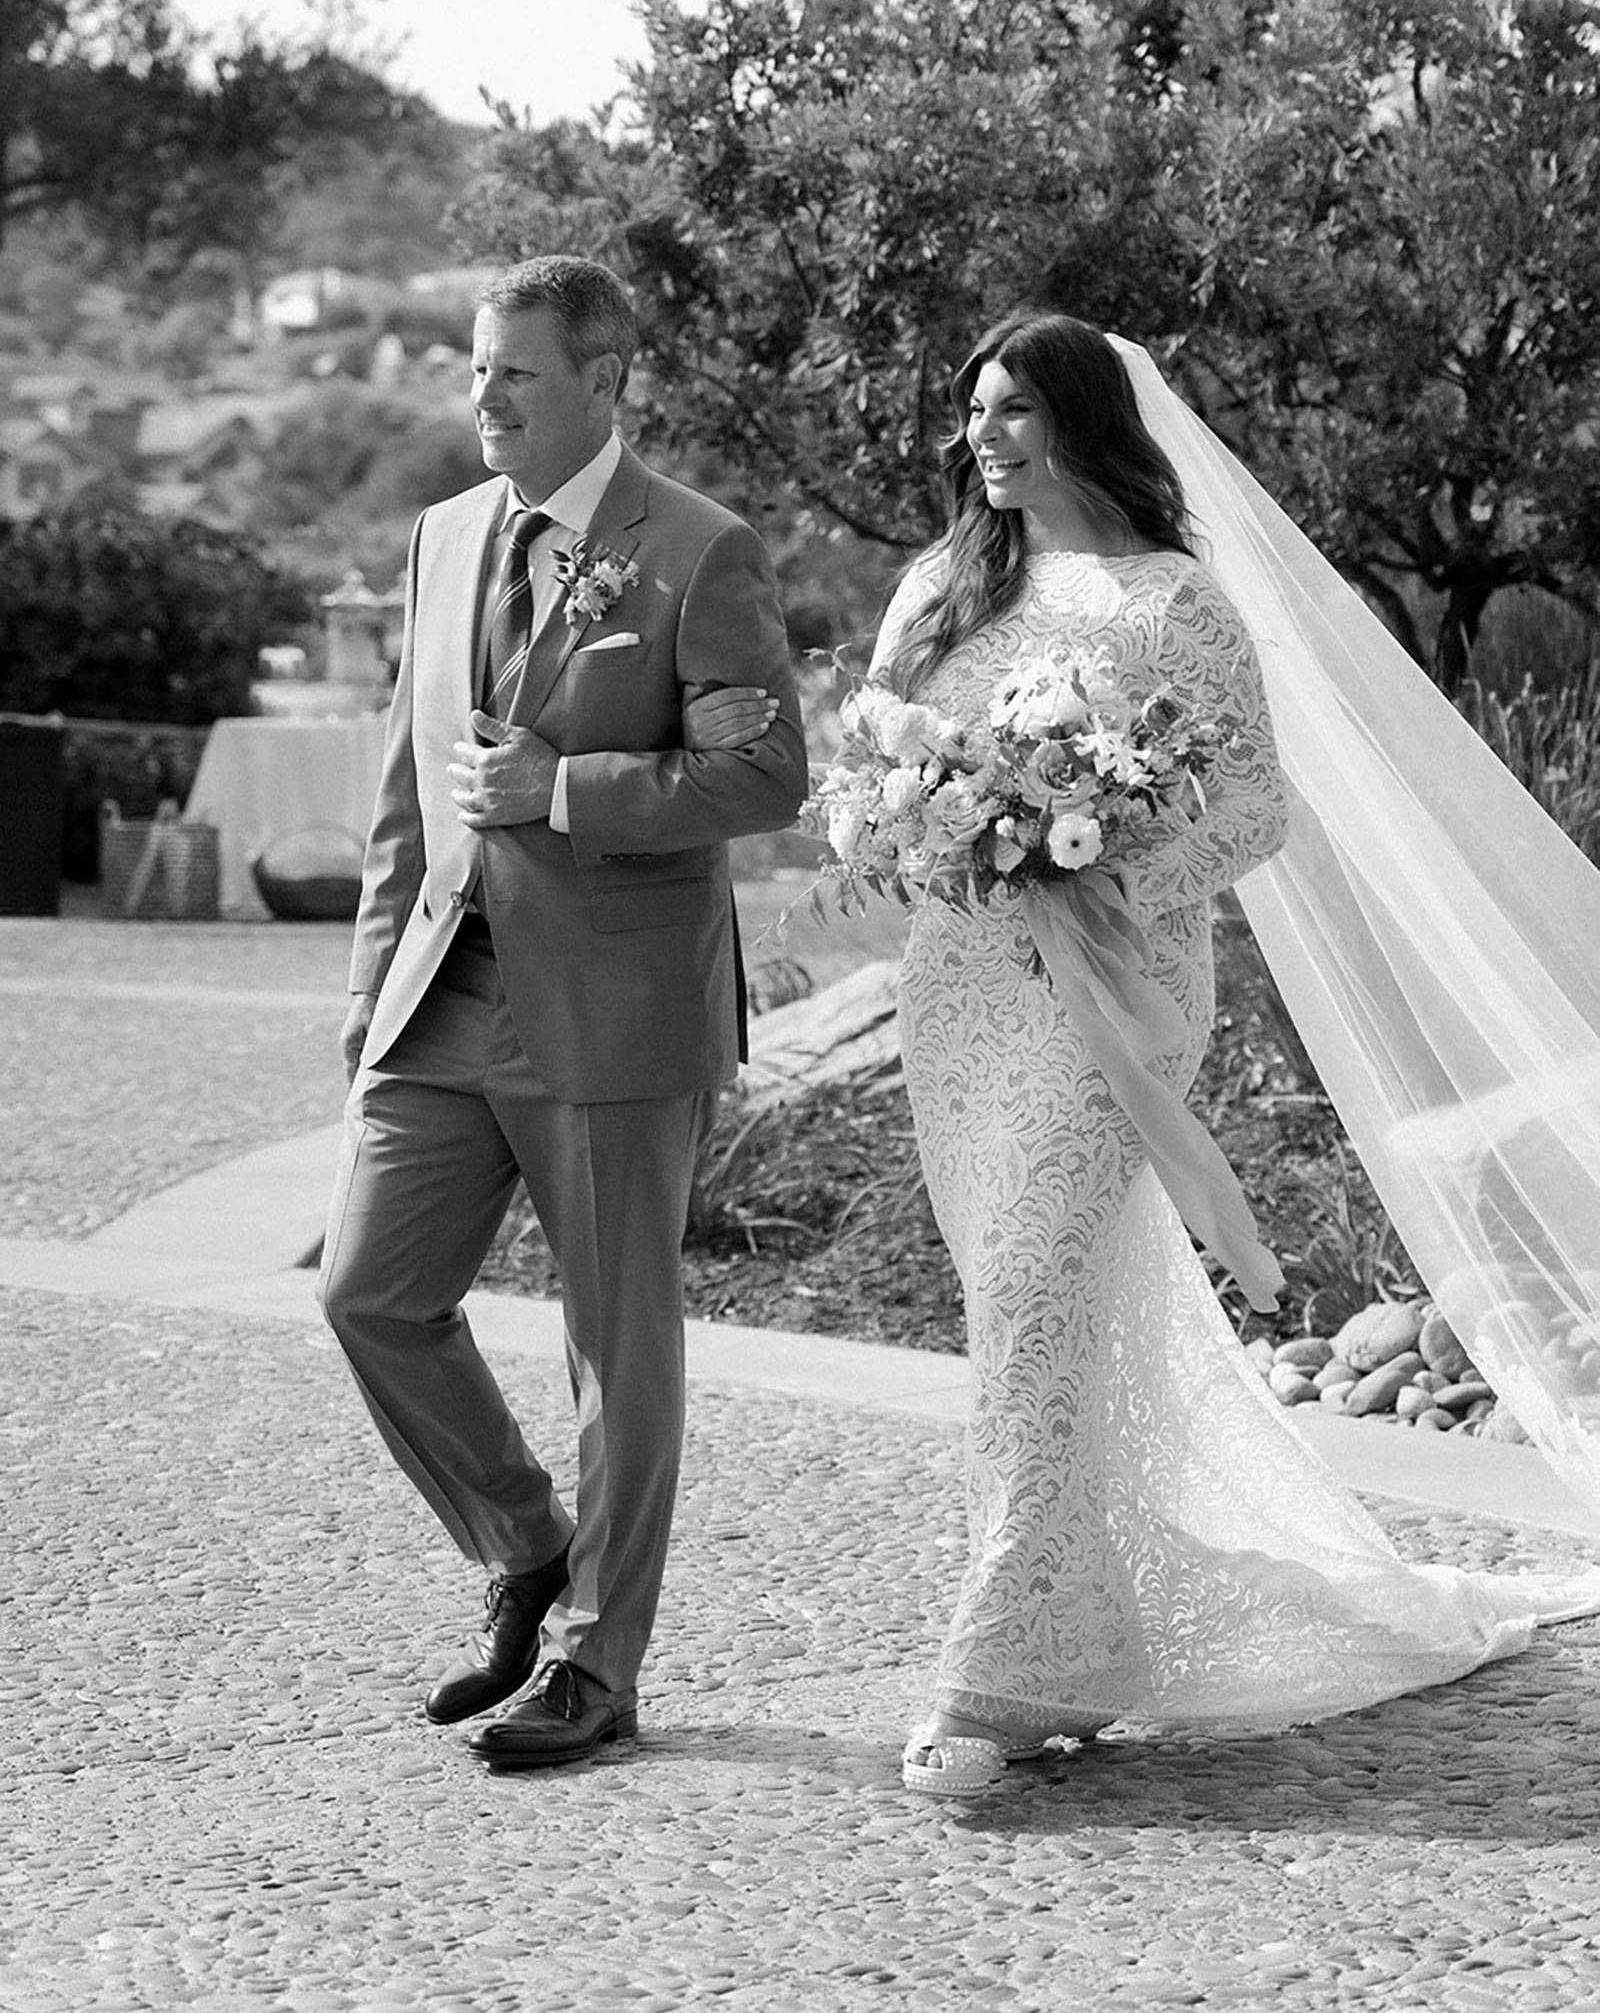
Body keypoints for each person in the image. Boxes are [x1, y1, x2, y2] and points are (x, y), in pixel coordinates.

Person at [705, 307, 1600, 1797]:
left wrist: (1098, 856)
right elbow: (868, 774)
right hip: (964, 995)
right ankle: (1080, 1630)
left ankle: (998, 1669)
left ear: (1079, 420)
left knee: (1043, 1285)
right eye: (972, 412)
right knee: (1020, 1310)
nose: (982, 436)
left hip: (1116, 991)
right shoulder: (938, 587)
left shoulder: (1173, 602)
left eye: (1011, 411)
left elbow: (1255, 810)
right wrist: (931, 827)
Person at [319, 253, 807, 1772]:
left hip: (614, 1007)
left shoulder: (700, 553)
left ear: (605, 381)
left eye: (516, 373)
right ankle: (527, 1547)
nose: (485, 397)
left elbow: (764, 777)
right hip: (445, 996)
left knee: (618, 1342)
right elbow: (409, 786)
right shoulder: (444, 534)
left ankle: (601, 1664)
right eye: (475, 369)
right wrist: (367, 988)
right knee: (367, 1292)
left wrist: (568, 789)